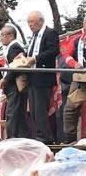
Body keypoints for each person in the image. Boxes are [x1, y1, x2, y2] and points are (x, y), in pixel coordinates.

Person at [24, 11, 59, 144]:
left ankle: (45, 138)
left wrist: (35, 59)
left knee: (40, 110)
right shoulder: (33, 36)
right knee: (33, 110)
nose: (30, 25)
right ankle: (39, 135)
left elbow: (53, 51)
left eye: (32, 22)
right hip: (32, 76)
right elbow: (31, 52)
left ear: (40, 21)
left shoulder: (50, 33)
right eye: (28, 22)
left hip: (43, 76)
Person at [0, 25, 28, 139]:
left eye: (2, 35)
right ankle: (21, 137)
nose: (1, 38)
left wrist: (5, 79)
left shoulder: (14, 47)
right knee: (19, 114)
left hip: (14, 85)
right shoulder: (11, 47)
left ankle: (12, 138)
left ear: (10, 36)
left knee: (12, 113)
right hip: (13, 85)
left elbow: (15, 67)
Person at [62, 15, 86, 143]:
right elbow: (66, 54)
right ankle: (70, 141)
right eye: (85, 22)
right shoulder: (78, 40)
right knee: (70, 110)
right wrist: (74, 64)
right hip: (80, 79)